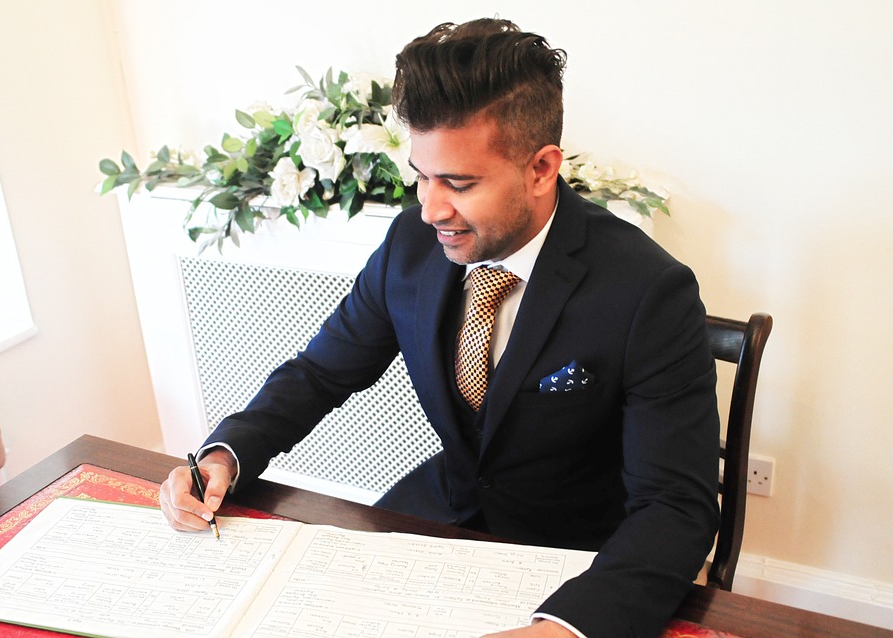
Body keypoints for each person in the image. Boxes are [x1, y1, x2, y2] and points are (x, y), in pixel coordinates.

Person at [160, 18, 719, 638]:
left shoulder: (648, 292)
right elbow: (320, 373)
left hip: (576, 563)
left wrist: (564, 628)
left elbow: (676, 506)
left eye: (458, 183)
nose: (430, 209)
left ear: (541, 169)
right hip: (433, 522)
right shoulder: (410, 244)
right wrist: (226, 454)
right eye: (421, 176)